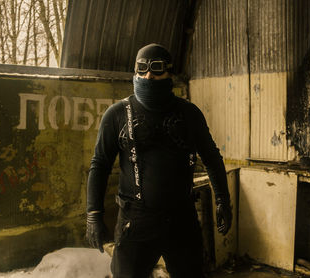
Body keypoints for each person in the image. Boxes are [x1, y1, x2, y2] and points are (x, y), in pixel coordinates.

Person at [86, 43, 232, 278]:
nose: (148, 75)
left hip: (181, 219)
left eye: (156, 68)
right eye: (142, 68)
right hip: (135, 221)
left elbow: (212, 158)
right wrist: (93, 214)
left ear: (169, 72)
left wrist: (223, 200)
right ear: (135, 71)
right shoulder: (117, 114)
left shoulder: (189, 114)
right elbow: (100, 164)